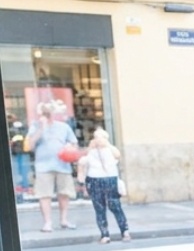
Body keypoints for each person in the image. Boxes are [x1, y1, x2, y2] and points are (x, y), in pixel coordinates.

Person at [27, 100, 78, 232]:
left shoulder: (63, 127)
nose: (47, 115)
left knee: (64, 194)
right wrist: (41, 128)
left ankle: (64, 220)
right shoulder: (35, 126)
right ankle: (47, 223)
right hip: (43, 166)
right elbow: (30, 145)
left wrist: (70, 147)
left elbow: (74, 143)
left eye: (49, 112)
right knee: (44, 195)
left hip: (63, 165)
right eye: (44, 113)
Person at [77, 128, 129, 243]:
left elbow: (118, 155)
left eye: (101, 137)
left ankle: (124, 230)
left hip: (110, 179)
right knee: (99, 208)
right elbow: (82, 161)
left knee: (115, 205)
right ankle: (104, 234)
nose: (99, 139)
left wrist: (107, 144)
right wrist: (91, 147)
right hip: (94, 180)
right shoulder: (91, 151)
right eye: (96, 137)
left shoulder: (110, 149)